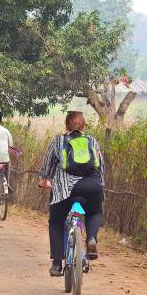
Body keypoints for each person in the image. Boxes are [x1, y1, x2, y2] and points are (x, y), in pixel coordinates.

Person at [38, 111, 104, 277]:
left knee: (56, 221)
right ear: (84, 126)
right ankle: (91, 238)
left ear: (66, 125)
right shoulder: (92, 141)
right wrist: (99, 185)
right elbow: (100, 166)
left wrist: (43, 180)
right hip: (91, 187)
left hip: (64, 190)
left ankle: (57, 264)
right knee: (94, 211)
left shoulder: (58, 141)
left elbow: (47, 164)